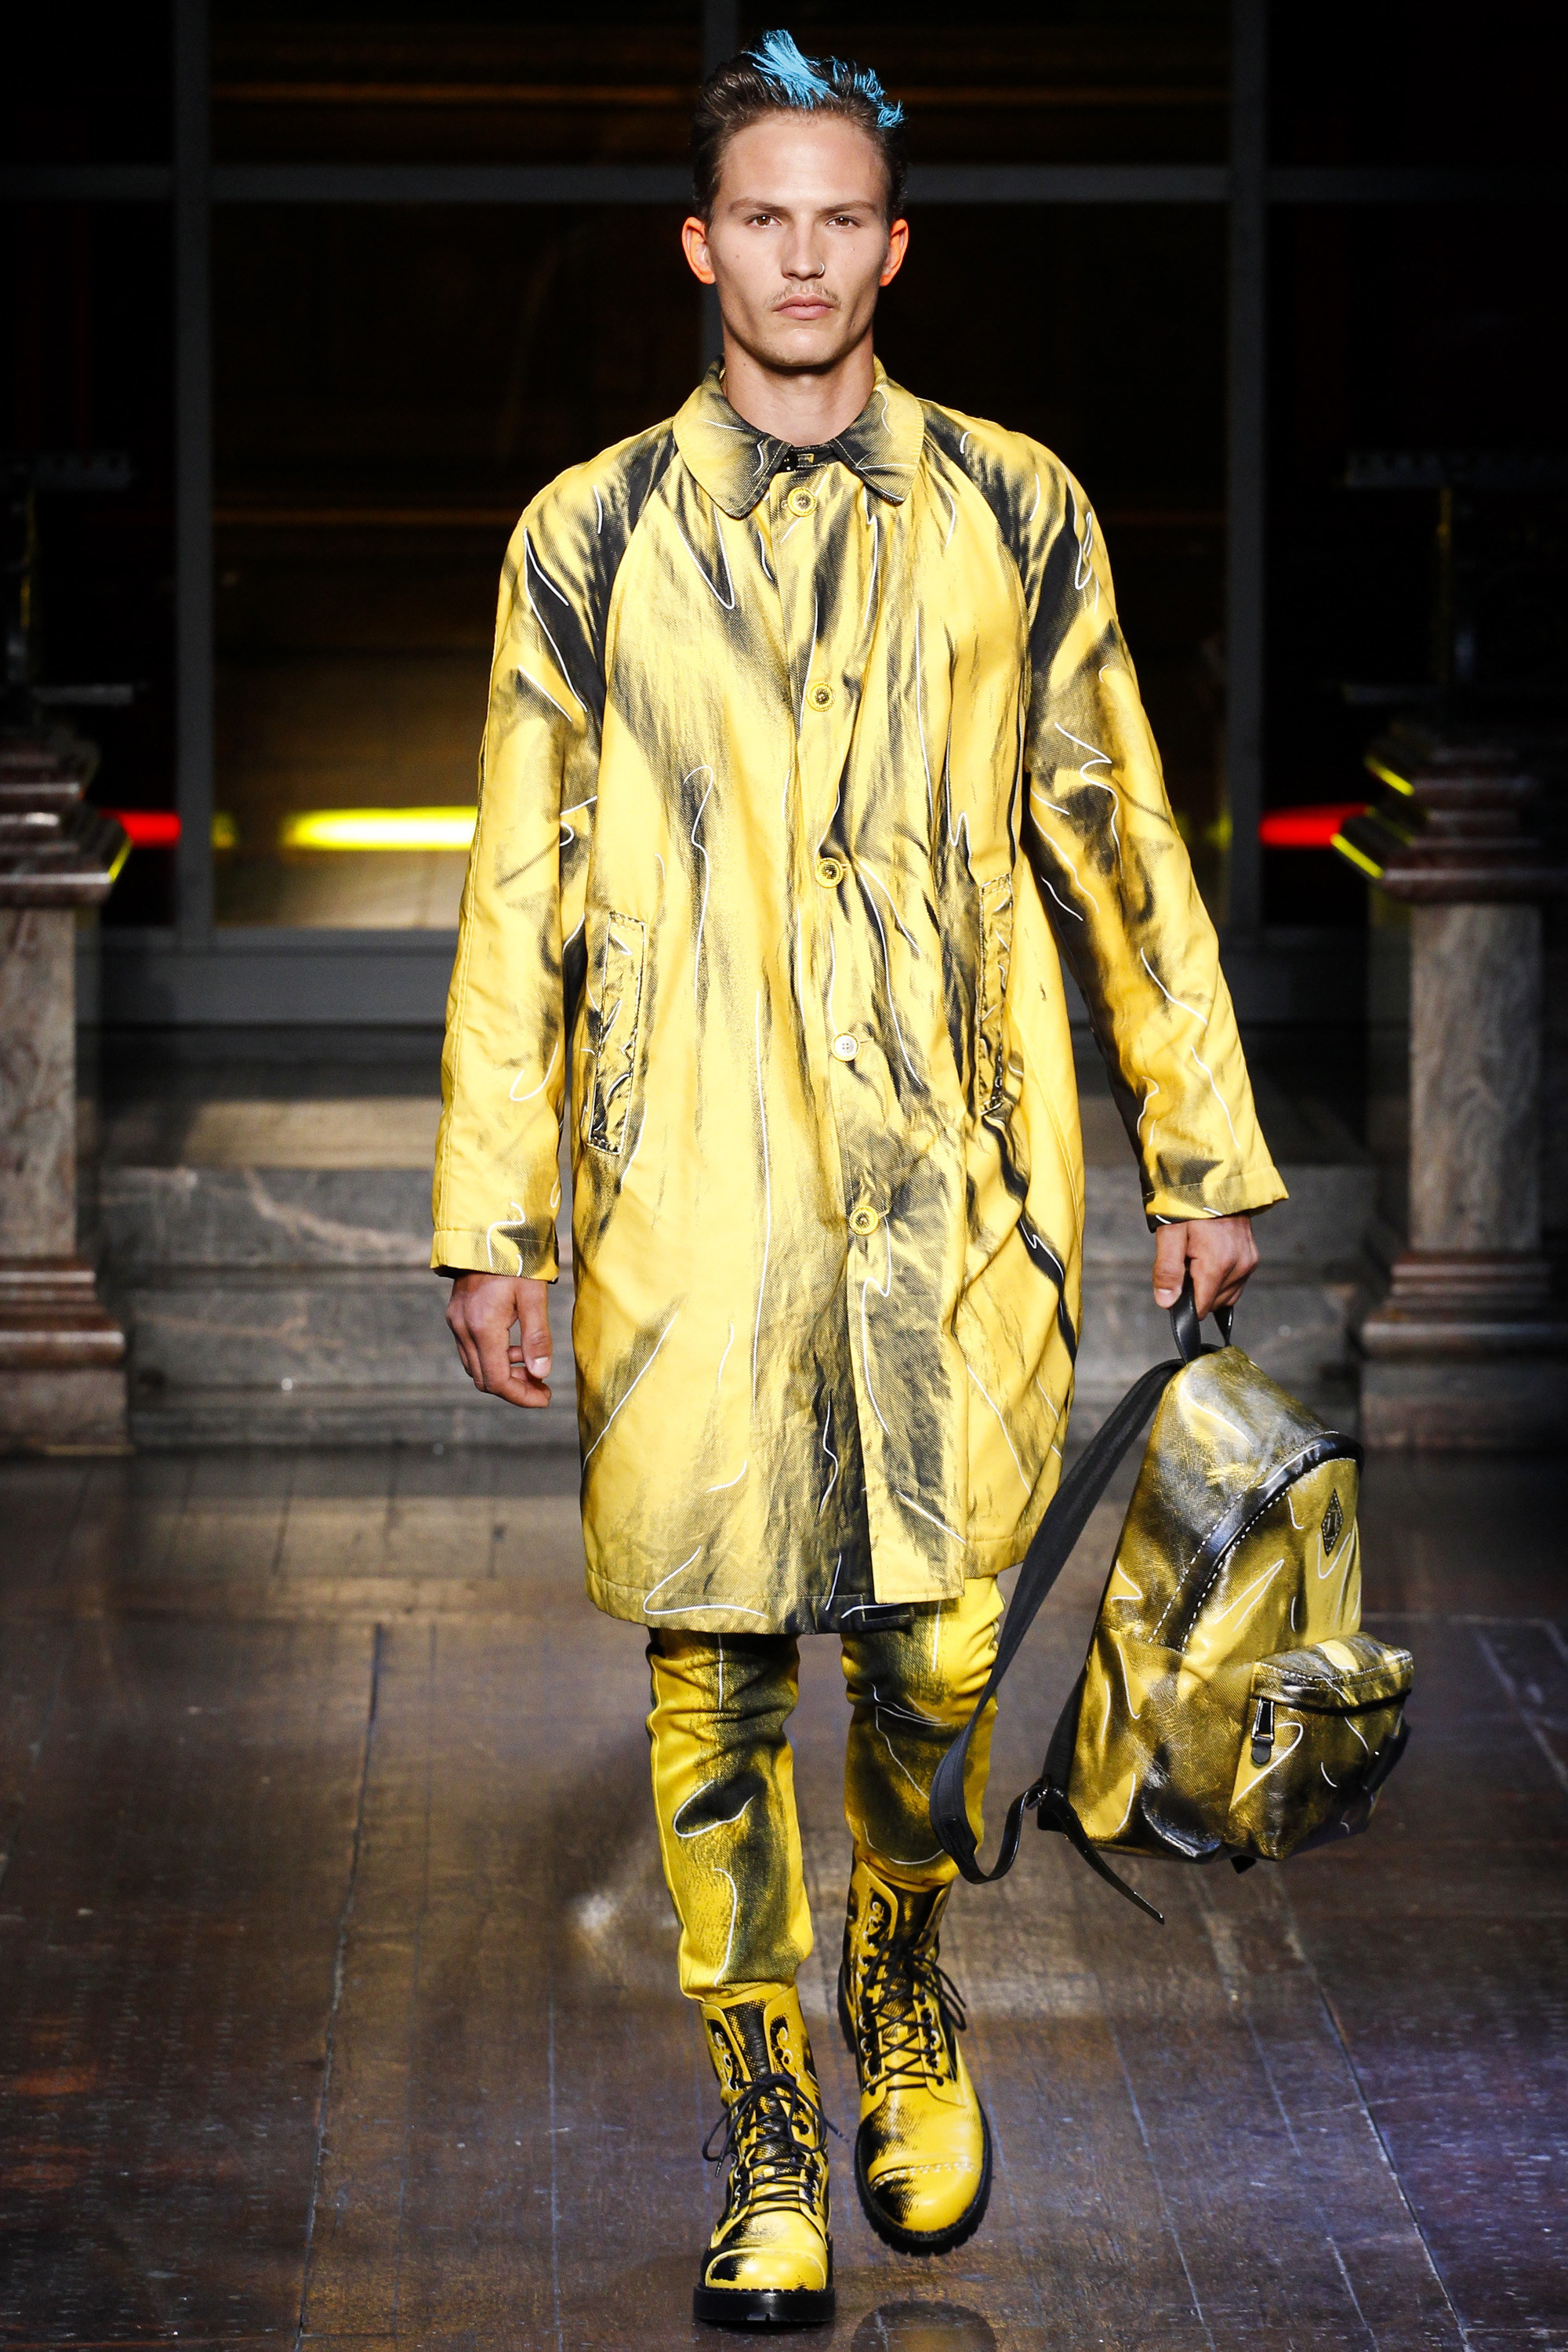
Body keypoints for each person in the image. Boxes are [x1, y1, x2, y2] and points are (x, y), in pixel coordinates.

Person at [434, 28, 1282, 2332]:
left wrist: (1199, 1135)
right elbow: (520, 887)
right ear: (700, 246)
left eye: (840, 220)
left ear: (892, 250)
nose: (801, 259)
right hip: (690, 1183)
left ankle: (900, 1969)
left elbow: (1113, 821)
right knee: (711, 1663)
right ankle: (766, 2120)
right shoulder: (592, 536)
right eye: (762, 218)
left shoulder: (1016, 508)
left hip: (957, 1174)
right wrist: (492, 1208)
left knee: (941, 1639)